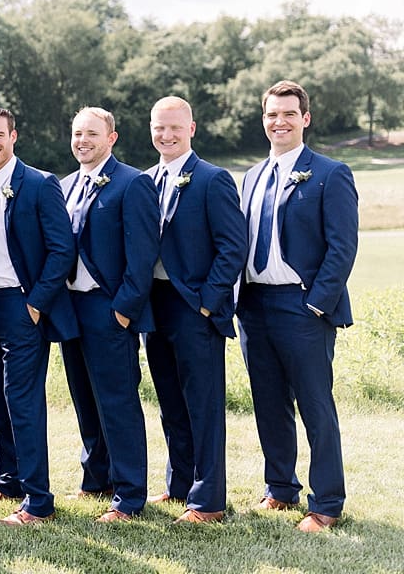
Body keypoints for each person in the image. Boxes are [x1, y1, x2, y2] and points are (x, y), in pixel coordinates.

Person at [237, 80, 358, 532]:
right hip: (254, 306)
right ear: (263, 119)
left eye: (288, 113)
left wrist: (315, 306)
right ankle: (280, 489)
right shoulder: (250, 176)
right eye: (271, 114)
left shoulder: (330, 173)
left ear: (304, 119)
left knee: (315, 405)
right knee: (268, 403)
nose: (279, 121)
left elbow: (342, 248)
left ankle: (326, 502)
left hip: (302, 306)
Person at [0, 107, 76, 526]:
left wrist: (36, 302)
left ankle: (38, 501)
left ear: (14, 136)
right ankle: (8, 480)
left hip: (22, 306)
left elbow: (62, 249)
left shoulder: (39, 183)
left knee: (23, 403)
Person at [143, 96, 246, 524]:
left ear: (191, 129)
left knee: (202, 405)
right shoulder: (146, 180)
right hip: (155, 305)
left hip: (194, 307)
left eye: (174, 127)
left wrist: (207, 302)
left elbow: (233, 246)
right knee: (170, 400)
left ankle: (208, 500)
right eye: (158, 127)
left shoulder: (212, 178)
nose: (165, 135)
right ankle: (179, 483)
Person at [59, 106, 159, 523]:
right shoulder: (63, 185)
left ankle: (130, 494)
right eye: (78, 133)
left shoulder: (132, 183)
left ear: (111, 138)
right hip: (71, 309)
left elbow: (142, 258)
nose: (83, 141)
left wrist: (123, 312)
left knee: (117, 401)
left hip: (109, 308)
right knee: (84, 397)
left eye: (92, 134)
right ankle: (95, 477)